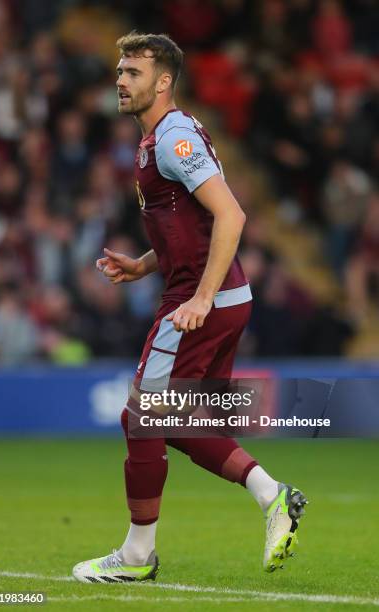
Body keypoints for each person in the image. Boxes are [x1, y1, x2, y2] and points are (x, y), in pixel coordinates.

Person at [72, 32, 307, 583]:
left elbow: (231, 216)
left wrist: (200, 296)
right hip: (220, 297)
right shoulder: (160, 138)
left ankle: (135, 558)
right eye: (120, 70)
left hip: (201, 301)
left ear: (163, 81)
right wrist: (144, 265)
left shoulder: (174, 135)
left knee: (143, 417)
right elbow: (192, 227)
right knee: (173, 421)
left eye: (133, 72)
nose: (121, 80)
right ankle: (274, 495)